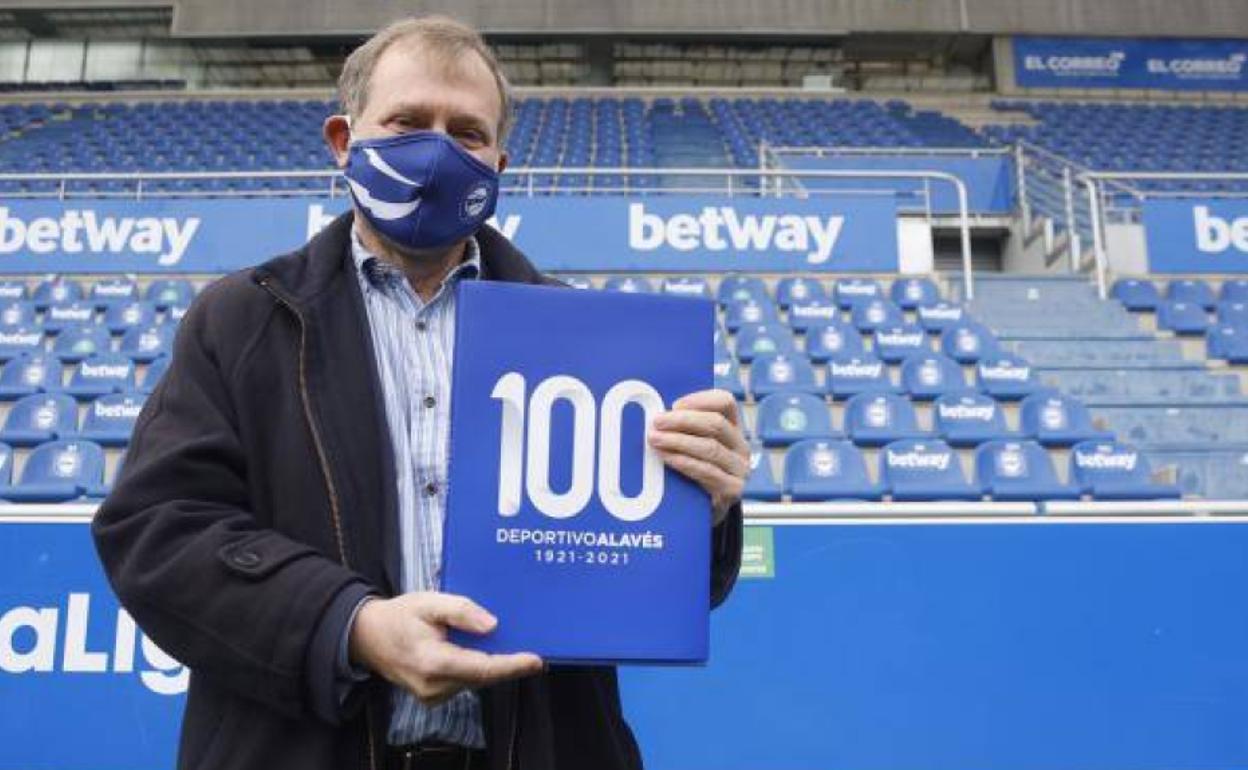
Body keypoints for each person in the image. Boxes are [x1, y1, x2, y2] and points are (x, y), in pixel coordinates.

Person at [91, 15, 747, 770]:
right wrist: (349, 626)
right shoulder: (241, 318)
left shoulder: (589, 344)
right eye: (407, 123)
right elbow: (158, 533)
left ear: (499, 162)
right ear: (343, 140)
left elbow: (655, 585)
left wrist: (703, 507)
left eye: (467, 133)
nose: (438, 152)